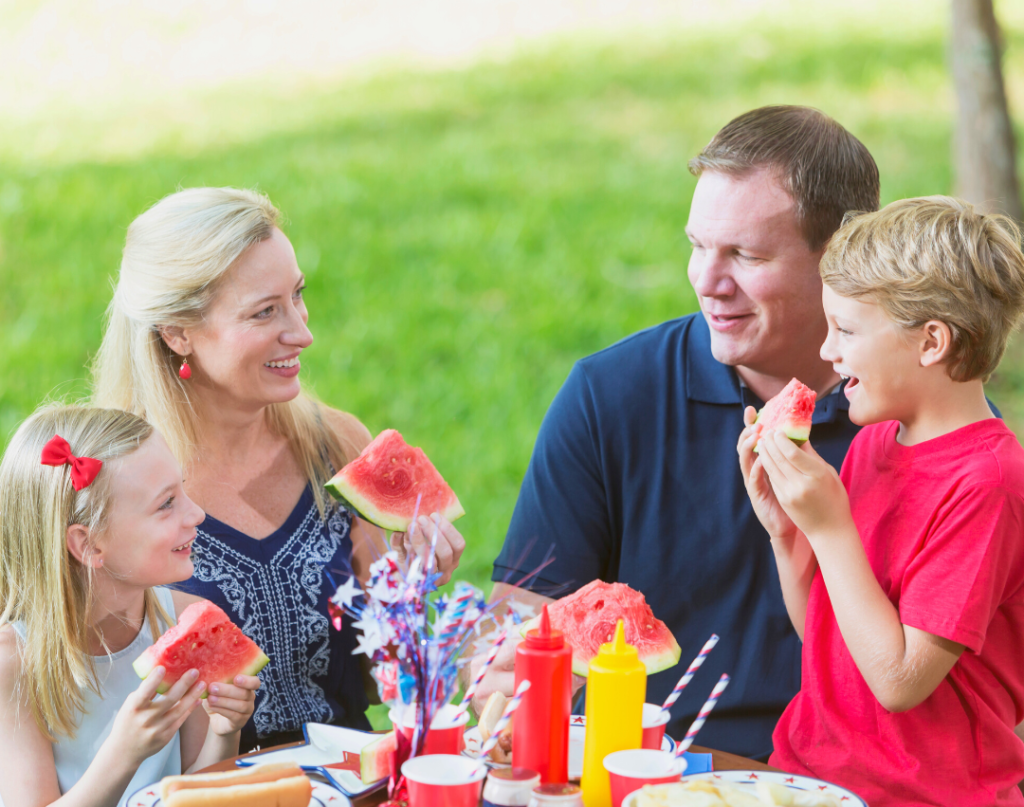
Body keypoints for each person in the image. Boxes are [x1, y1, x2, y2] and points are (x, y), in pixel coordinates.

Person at [476, 106, 880, 759]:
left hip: (857, 777)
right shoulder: (610, 393)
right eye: (697, 246)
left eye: (744, 255)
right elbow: (523, 619)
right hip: (648, 767)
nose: (706, 281)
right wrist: (498, 659)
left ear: (836, 257)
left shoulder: (918, 421)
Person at [91, 187, 466, 751]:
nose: (302, 332)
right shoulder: (112, 485)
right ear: (177, 332)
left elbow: (376, 683)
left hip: (349, 782)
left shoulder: (337, 444)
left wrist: (408, 595)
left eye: (297, 296)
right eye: (265, 312)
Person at [740, 197, 1024, 805]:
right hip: (811, 774)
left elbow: (897, 681)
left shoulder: (988, 484)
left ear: (931, 343)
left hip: (922, 795)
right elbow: (832, 640)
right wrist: (788, 533)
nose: (827, 352)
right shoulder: (875, 444)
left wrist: (833, 528)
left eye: (845, 329)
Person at [0, 406, 260, 807]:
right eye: (166, 503)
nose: (197, 514)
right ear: (88, 545)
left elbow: (199, 795)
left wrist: (225, 732)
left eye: (183, 490)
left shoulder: (186, 619)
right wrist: (124, 754)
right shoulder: (13, 661)